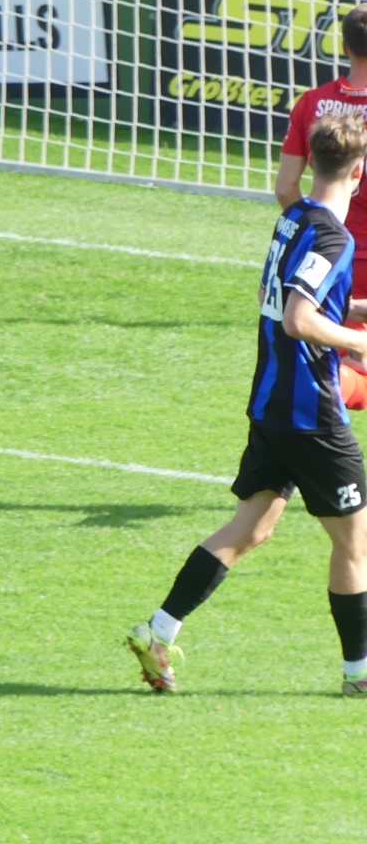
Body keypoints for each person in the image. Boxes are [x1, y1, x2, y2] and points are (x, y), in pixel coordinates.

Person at [127, 111, 367, 696]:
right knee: (357, 543)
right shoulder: (336, 236)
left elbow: (301, 298)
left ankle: (156, 631)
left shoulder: (294, 220)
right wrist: (358, 340)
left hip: (272, 404)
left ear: (311, 162)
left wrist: (354, 313)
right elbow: (298, 317)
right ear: (359, 172)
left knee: (251, 527)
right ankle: (360, 675)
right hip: (309, 413)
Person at [277, 1, 367, 411]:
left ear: (345, 47)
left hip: (325, 254)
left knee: (323, 356)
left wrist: (315, 234)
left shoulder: (312, 102)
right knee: (350, 370)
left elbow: (285, 188)